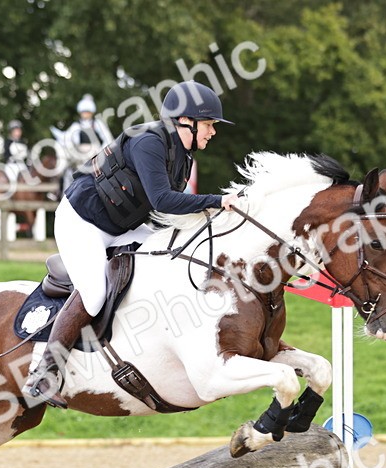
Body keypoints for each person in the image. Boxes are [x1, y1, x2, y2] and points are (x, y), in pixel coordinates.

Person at [22, 80, 237, 406]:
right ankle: (45, 373)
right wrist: (219, 201)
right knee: (94, 294)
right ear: (185, 121)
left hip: (124, 226)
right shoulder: (148, 143)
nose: (213, 131)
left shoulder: (183, 155)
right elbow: (163, 201)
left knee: (170, 262)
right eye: (208, 124)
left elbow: (169, 212)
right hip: (83, 220)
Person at [60, 94, 113, 190]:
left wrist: (100, 153)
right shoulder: (76, 126)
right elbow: (68, 141)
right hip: (80, 157)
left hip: (95, 156)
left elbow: (108, 139)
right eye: (84, 112)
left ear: (91, 112)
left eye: (87, 112)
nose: (85, 114)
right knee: (68, 173)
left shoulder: (98, 124)